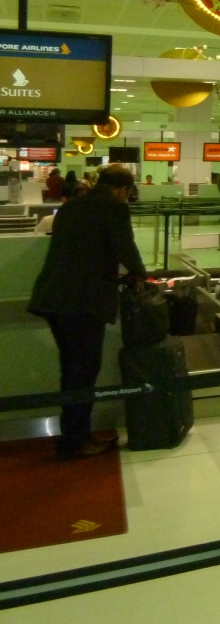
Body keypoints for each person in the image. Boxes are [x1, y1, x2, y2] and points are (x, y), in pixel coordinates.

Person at [27, 164, 147, 460]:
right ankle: (74, 442)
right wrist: (141, 274)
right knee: (82, 371)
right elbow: (125, 246)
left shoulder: (71, 206)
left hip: (53, 297)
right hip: (82, 302)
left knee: (73, 369)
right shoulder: (115, 207)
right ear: (122, 190)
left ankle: (74, 436)